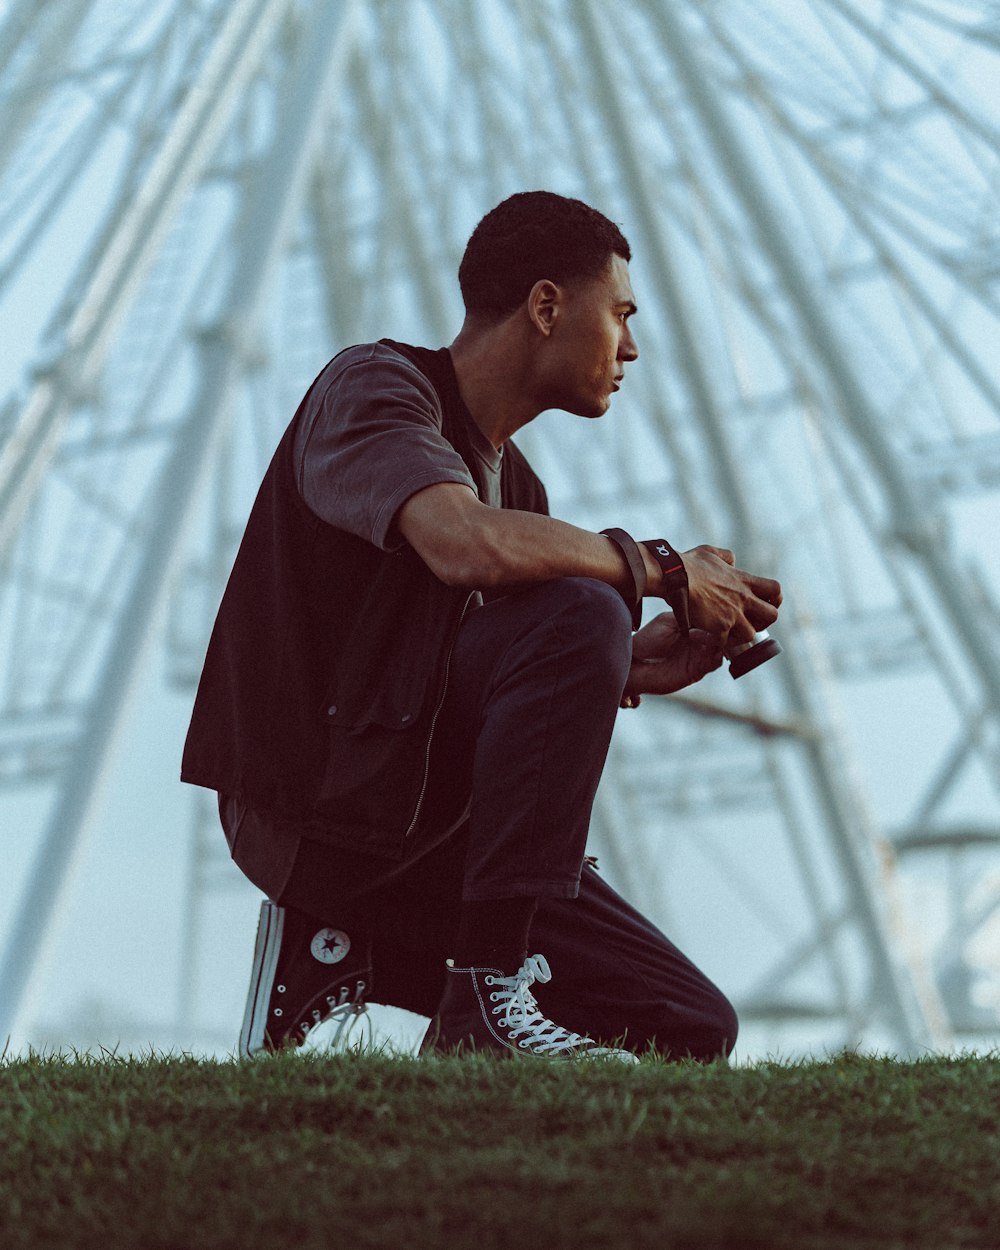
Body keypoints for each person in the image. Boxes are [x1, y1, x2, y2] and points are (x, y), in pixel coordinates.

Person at [181, 191, 781, 1063]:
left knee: (688, 1025)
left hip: (427, 822)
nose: (633, 347)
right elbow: (458, 546)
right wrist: (659, 569)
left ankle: (346, 957)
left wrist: (628, 665)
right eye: (620, 315)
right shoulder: (376, 387)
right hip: (315, 813)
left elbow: (506, 686)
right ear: (546, 306)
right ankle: (485, 1000)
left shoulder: (522, 494)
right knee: (587, 601)